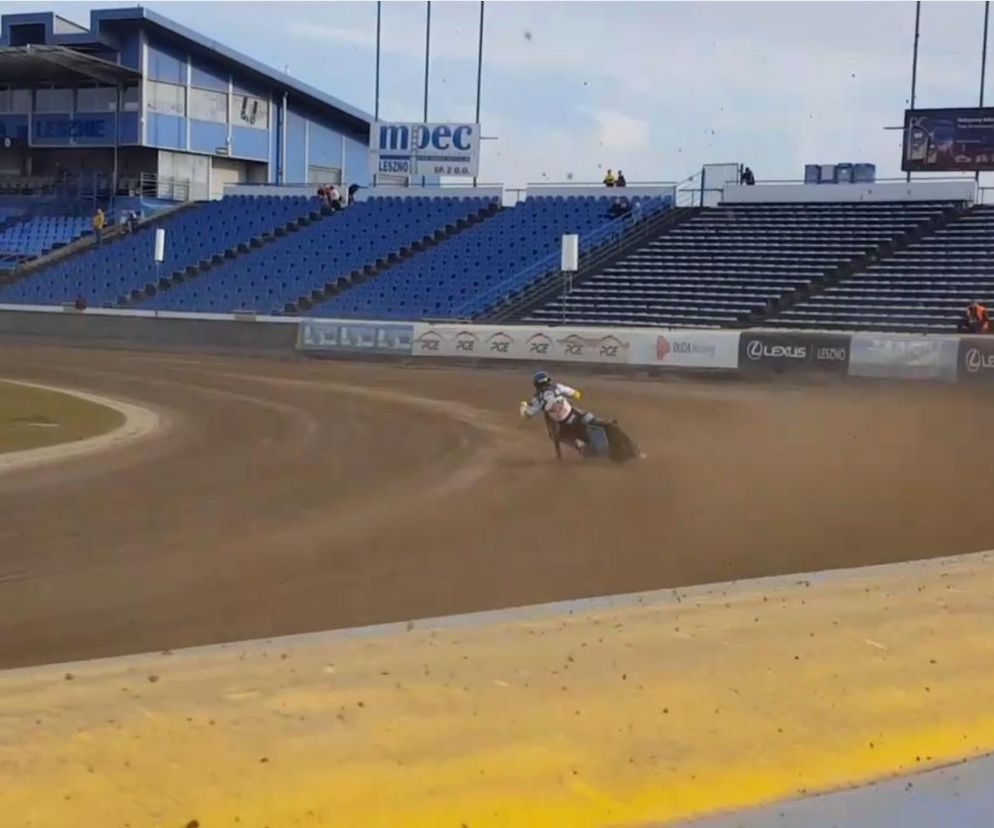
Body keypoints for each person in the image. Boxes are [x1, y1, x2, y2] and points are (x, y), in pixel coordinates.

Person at [520, 370, 595, 449]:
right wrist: (577, 394)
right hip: (573, 414)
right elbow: (573, 393)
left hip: (563, 423)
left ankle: (578, 445)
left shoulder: (537, 399)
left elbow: (528, 414)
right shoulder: (557, 387)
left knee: (559, 438)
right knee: (588, 417)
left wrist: (523, 406)